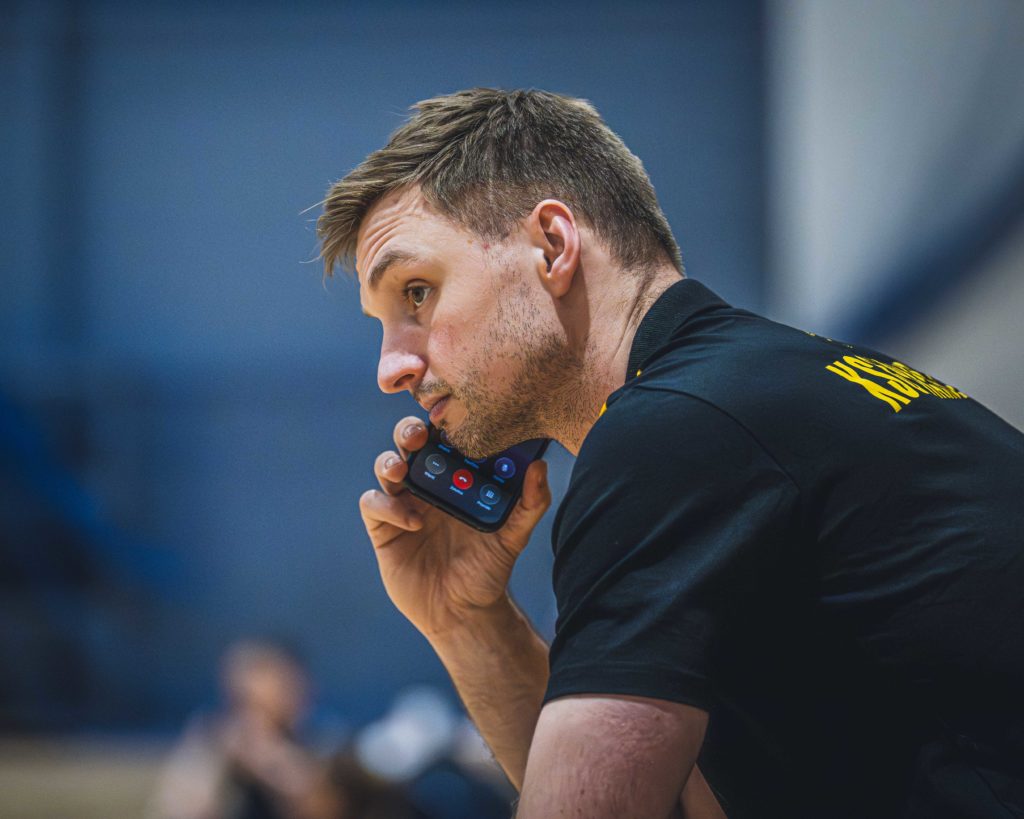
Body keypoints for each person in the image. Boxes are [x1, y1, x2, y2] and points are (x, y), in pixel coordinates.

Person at [316, 88, 1024, 818]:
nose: (390, 368)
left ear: (553, 246)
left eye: (417, 292)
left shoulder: (673, 432)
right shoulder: (766, 387)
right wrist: (466, 618)